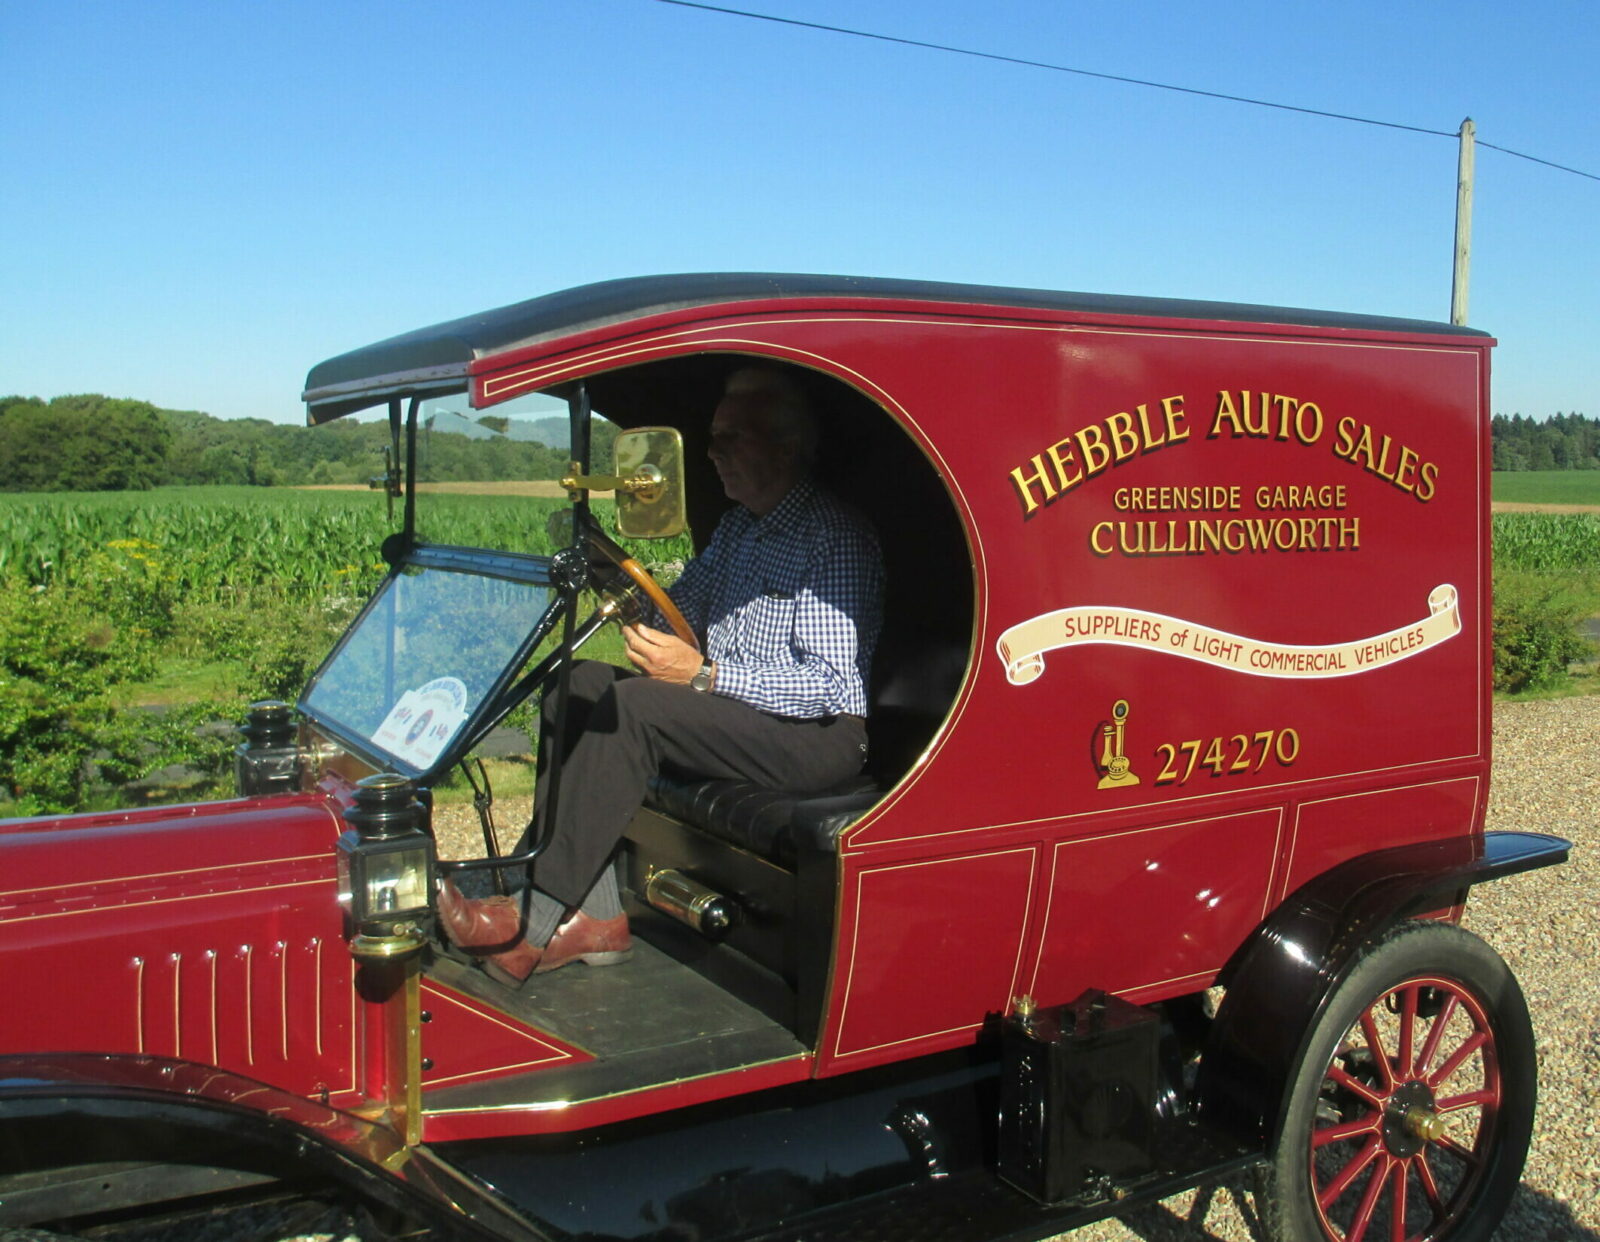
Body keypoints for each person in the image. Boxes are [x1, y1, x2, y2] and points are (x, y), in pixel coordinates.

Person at [438, 365, 885, 986]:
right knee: (578, 683)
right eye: (712, 438)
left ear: (786, 447)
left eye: (733, 438)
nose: (713, 453)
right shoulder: (739, 529)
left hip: (816, 738)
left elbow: (832, 686)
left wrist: (704, 675)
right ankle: (591, 918)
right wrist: (618, 579)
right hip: (745, 715)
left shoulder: (832, 536)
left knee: (640, 709)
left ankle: (528, 928)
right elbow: (681, 610)